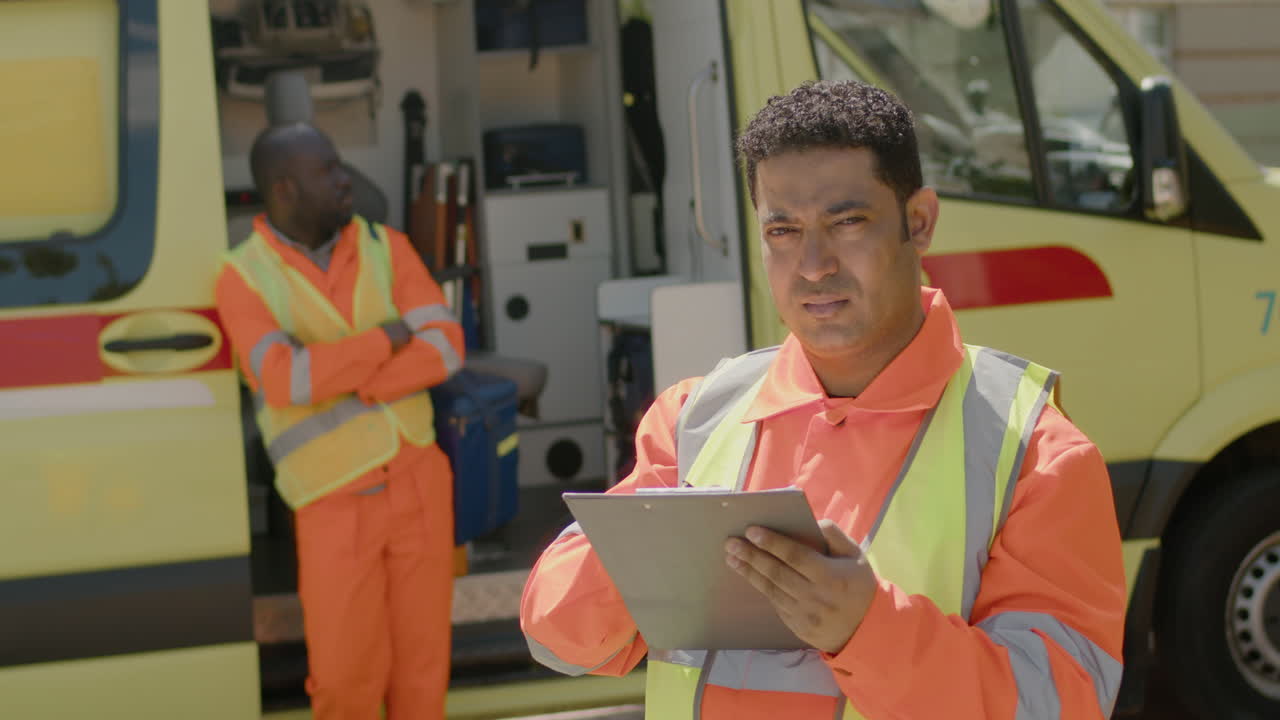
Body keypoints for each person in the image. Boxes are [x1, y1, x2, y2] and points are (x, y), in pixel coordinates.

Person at [520, 81, 1125, 719]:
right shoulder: (694, 420)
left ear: (918, 222)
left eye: (846, 221)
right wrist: (632, 560)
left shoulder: (1036, 453)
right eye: (782, 230)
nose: (812, 264)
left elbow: (1061, 705)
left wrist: (868, 629)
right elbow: (557, 641)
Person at [216, 123, 463, 720]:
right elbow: (283, 380)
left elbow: (447, 346)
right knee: (345, 683)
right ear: (286, 190)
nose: (344, 178)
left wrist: (357, 380)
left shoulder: (386, 245)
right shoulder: (242, 277)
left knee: (423, 673)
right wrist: (385, 339)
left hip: (418, 484)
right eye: (327, 169)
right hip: (333, 501)